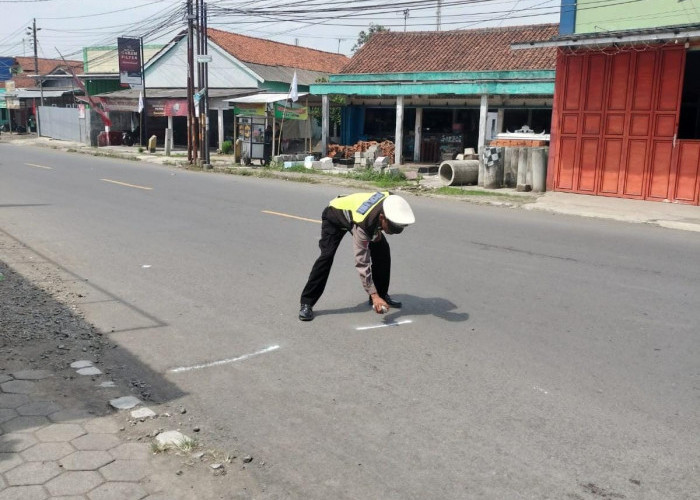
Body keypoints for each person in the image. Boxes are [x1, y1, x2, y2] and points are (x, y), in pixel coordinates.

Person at [299, 191, 415, 321]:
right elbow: (362, 263)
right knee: (326, 256)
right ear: (382, 217)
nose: (392, 233)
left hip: (358, 216)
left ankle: (381, 295)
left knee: (382, 251)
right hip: (335, 216)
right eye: (391, 229)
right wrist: (373, 293)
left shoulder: (392, 201)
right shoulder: (364, 226)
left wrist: (378, 231)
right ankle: (307, 303)